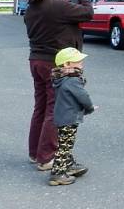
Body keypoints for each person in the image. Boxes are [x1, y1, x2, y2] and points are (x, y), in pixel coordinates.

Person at [23, 0, 92, 171]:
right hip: (56, 64)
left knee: (41, 107)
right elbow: (88, 13)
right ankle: (47, 158)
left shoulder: (33, 7)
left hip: (36, 60)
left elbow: (54, 15)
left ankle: (35, 153)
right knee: (55, 111)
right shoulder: (59, 7)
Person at [48, 47, 95, 186]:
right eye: (78, 61)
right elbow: (83, 96)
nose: (81, 63)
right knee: (65, 146)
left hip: (62, 117)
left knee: (65, 143)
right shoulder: (72, 80)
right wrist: (90, 107)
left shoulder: (60, 78)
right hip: (68, 119)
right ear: (67, 64)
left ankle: (68, 164)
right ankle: (57, 174)